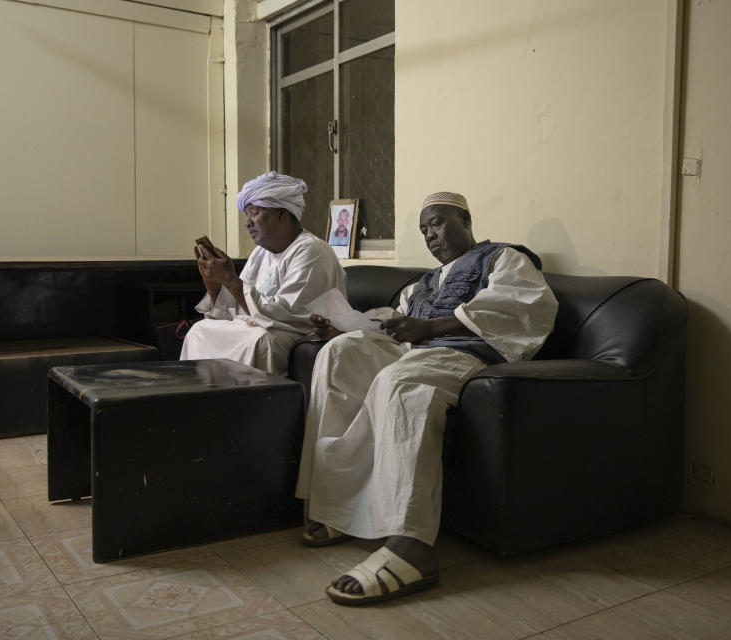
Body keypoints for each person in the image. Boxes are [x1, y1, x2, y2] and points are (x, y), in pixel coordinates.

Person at [295, 191, 559, 605]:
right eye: (423, 230)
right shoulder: (422, 283)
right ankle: (340, 509)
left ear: (466, 219)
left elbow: (524, 308)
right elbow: (394, 323)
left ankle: (411, 545)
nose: (430, 235)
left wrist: (431, 328)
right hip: (412, 350)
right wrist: (345, 329)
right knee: (338, 355)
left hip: (462, 354)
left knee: (401, 383)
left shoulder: (503, 258)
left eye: (436, 223)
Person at [180, 171, 347, 377]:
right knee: (201, 330)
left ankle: (251, 406)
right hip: (266, 323)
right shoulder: (261, 253)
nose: (247, 223)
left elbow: (288, 313)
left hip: (296, 329)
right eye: (247, 215)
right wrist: (214, 283)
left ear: (282, 214)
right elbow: (239, 308)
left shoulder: (312, 250)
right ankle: (201, 400)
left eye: (254, 213)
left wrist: (231, 279)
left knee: (261, 341)